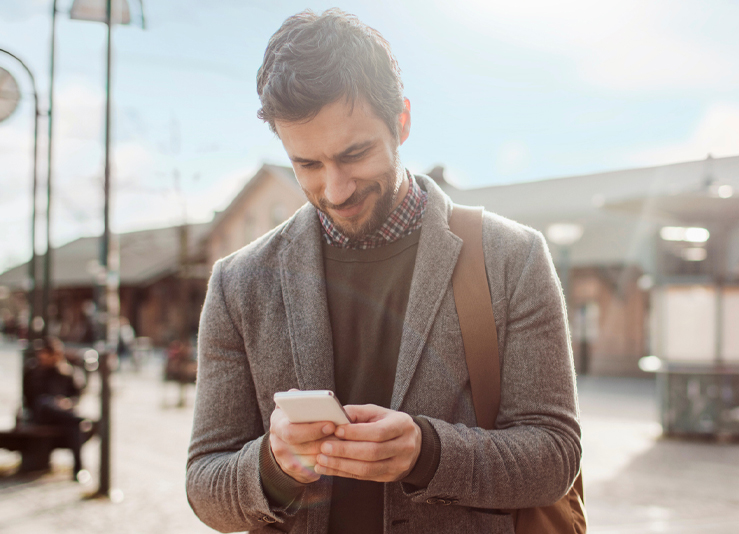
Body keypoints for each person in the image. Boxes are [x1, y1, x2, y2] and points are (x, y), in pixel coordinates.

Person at [186, 9, 581, 534]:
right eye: (307, 164)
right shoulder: (239, 283)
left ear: (403, 122)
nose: (335, 188)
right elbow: (204, 488)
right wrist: (275, 464)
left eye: (355, 154)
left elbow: (555, 457)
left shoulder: (513, 257)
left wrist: (428, 452)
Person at [22, 336, 90, 480]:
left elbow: (76, 396)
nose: (42, 357)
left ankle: (78, 469)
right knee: (45, 402)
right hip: (40, 415)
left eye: (46, 354)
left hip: (62, 417)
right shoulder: (33, 371)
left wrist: (66, 403)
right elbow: (29, 400)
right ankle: (78, 419)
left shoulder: (66, 372)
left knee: (74, 427)